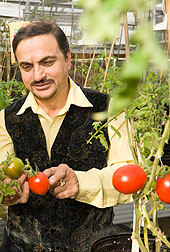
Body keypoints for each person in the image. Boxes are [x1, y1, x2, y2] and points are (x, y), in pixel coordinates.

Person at [0, 19, 134, 252]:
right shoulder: (5, 118)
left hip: (92, 246)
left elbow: (129, 176)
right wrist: (5, 193)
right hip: (19, 246)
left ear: (68, 59)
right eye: (26, 66)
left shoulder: (108, 109)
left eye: (47, 62)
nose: (38, 76)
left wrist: (81, 183)